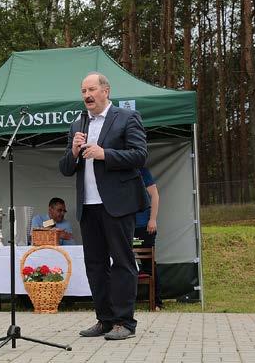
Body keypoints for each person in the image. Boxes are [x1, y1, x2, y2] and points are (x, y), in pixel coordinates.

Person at [59, 72, 149, 340]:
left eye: (91, 89)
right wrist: (74, 153)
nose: (87, 95)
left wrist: (104, 154)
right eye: (83, 91)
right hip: (89, 206)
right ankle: (105, 319)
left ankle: (125, 322)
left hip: (118, 204)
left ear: (105, 91)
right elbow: (65, 169)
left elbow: (140, 155)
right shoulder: (77, 123)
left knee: (122, 262)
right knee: (95, 265)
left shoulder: (126, 117)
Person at [135, 167, 162, 310]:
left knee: (149, 263)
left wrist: (152, 220)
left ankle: (156, 301)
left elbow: (155, 195)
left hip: (144, 226)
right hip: (125, 226)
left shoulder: (143, 172)